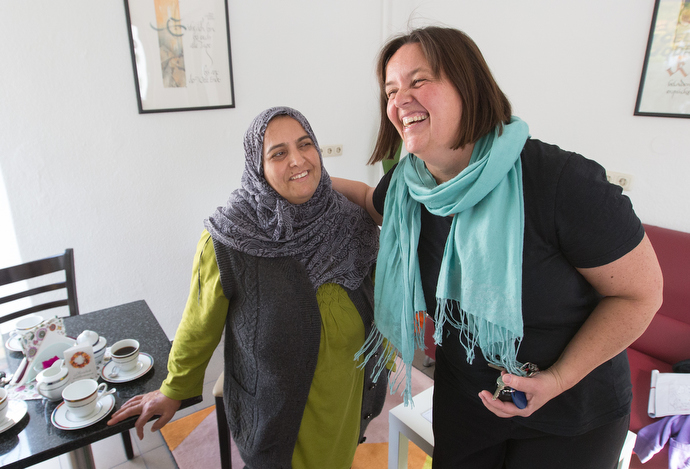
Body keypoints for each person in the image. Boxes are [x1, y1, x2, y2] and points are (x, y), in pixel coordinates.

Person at [333, 26, 664, 469]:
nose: (399, 100)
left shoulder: (560, 182)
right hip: (466, 406)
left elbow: (641, 294)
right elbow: (367, 201)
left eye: (418, 81)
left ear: (469, 86)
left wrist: (557, 379)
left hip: (569, 411)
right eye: (391, 90)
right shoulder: (408, 188)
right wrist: (299, 177)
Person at [108, 106, 387, 469]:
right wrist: (173, 389)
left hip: (346, 399)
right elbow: (198, 325)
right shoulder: (229, 241)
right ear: (258, 167)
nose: (298, 160)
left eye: (306, 145)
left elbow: (382, 289)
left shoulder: (349, 222)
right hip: (276, 414)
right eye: (279, 153)